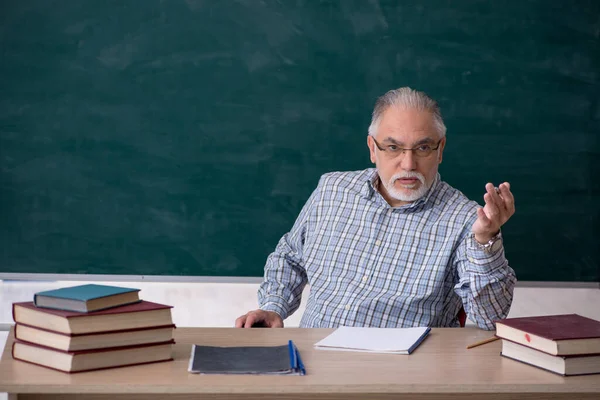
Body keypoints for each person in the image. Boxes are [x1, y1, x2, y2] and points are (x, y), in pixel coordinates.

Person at [236, 87, 516, 330]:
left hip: (404, 373)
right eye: (393, 147)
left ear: (440, 150)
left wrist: (485, 240)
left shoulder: (468, 220)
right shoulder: (332, 190)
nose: (408, 164)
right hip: (314, 362)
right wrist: (273, 307)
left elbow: (488, 318)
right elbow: (291, 258)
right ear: (372, 148)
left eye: (422, 148)